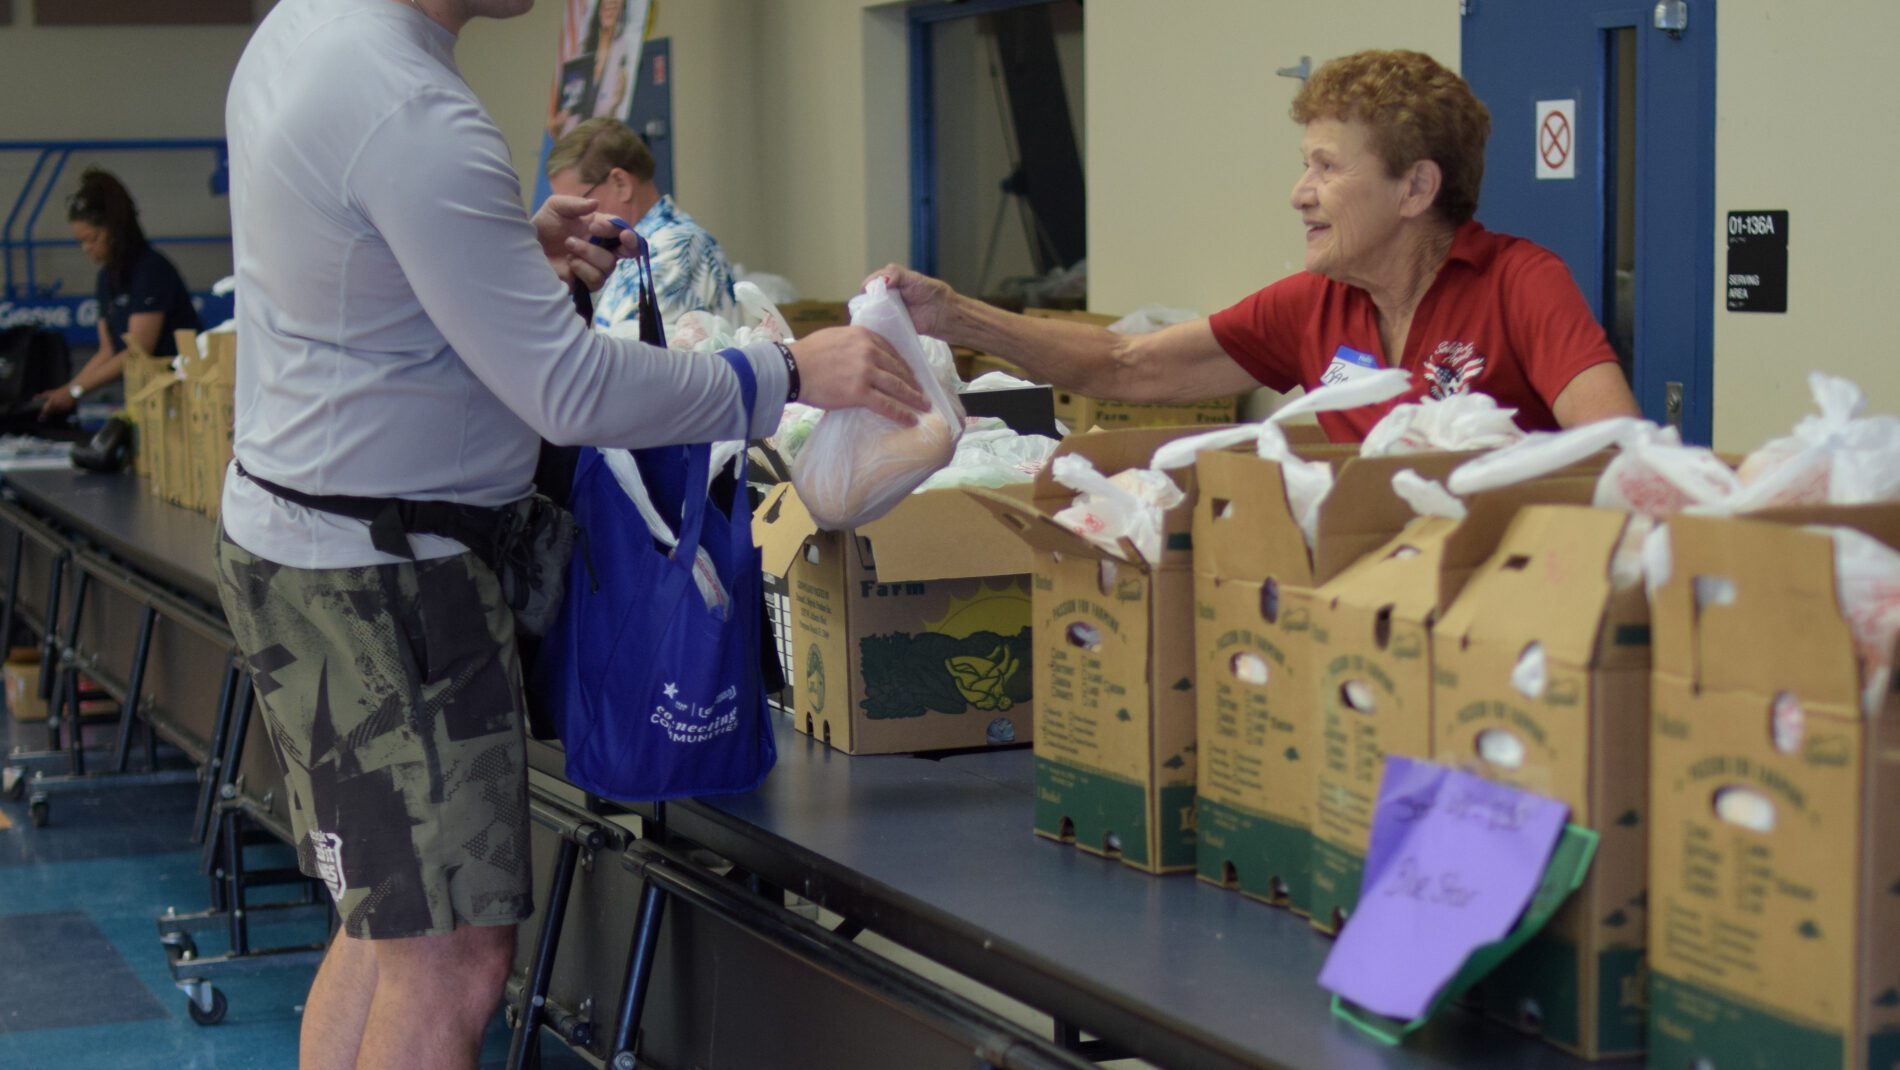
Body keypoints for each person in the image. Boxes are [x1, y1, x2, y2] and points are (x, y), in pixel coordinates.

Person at [216, 2, 926, 1069]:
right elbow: (571, 389)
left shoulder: (305, 28)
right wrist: (782, 376)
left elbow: (353, 261)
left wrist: (499, 251)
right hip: (388, 578)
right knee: (451, 956)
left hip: (307, 539)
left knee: (390, 926)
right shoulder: (414, 106)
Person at [874, 49, 1641, 443]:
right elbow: (1124, 365)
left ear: (1415, 190)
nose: (1299, 193)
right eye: (1305, 164)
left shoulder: (1521, 283)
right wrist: (958, 317)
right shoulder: (1313, 308)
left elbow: (1616, 446)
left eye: (1327, 167)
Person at [37, 168, 201, 421]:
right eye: (81, 242)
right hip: (146, 400)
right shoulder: (106, 279)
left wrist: (75, 391)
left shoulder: (151, 269)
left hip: (182, 399)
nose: (86, 249)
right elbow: (109, 350)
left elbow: (138, 349)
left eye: (92, 239)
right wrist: (65, 391)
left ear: (114, 230)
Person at [545, 117, 738, 327]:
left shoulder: (676, 249)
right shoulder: (626, 252)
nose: (570, 226)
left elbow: (626, 356)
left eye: (575, 207)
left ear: (621, 184)